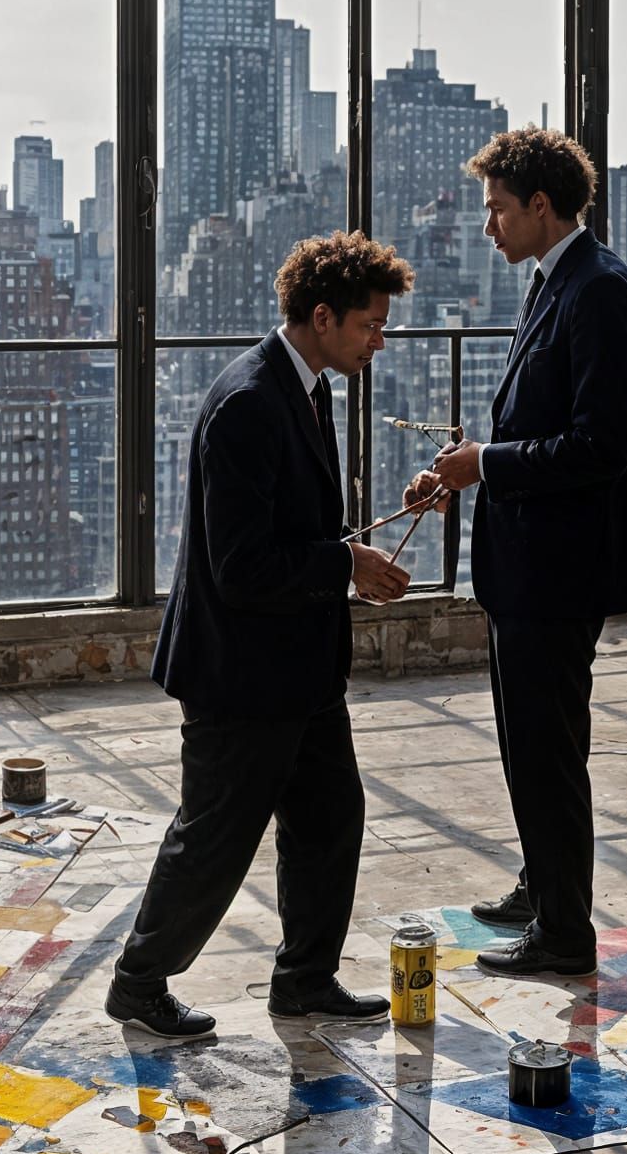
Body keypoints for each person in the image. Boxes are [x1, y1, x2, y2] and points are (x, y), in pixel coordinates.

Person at [106, 231, 416, 1039]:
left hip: (299, 668)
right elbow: (241, 565)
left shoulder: (303, 386)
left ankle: (305, 979)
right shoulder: (249, 402)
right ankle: (139, 983)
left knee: (330, 820)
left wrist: (358, 547)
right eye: (370, 326)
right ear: (323, 316)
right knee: (214, 838)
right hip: (242, 674)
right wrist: (345, 563)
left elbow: (295, 524)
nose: (379, 341)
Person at [407, 128, 627, 978]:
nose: (488, 229)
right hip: (528, 563)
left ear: (540, 206)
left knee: (547, 747)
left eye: (497, 211)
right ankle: (542, 884)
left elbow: (598, 449)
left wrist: (489, 466)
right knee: (527, 740)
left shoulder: (601, 293)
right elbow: (539, 424)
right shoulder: (558, 283)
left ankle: (564, 932)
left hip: (560, 571)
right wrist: (463, 474)